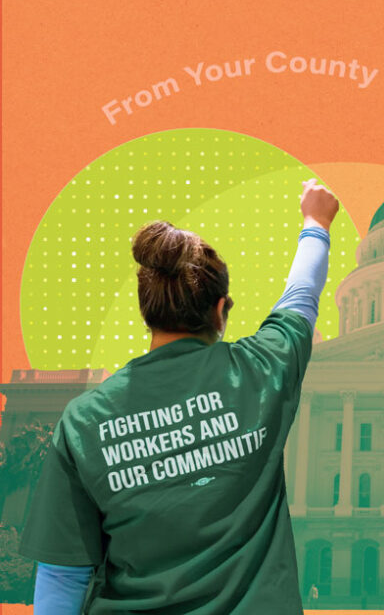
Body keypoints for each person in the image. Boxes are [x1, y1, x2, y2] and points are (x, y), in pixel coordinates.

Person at [18, 178, 339, 614]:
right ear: (221, 310)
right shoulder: (263, 371)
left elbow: (62, 576)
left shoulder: (84, 420)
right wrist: (315, 221)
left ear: (146, 311)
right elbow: (302, 295)